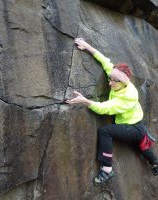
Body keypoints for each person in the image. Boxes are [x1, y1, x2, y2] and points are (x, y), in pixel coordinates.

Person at [66, 38, 158, 185]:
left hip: (133, 127)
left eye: (114, 81)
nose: (110, 82)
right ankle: (155, 163)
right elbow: (105, 61)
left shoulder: (129, 96)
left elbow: (105, 108)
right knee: (140, 145)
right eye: (110, 78)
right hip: (137, 123)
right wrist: (87, 46)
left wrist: (85, 101)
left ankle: (107, 169)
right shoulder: (117, 77)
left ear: (123, 82)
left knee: (105, 131)